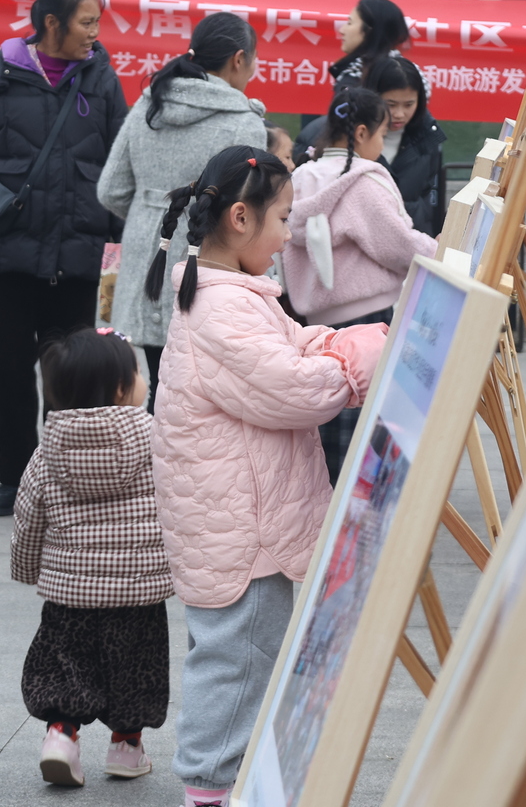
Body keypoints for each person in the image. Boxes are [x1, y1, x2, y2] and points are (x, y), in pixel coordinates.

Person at [148, 146, 389, 807]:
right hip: (240, 533)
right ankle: (212, 789)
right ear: (239, 218)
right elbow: (292, 387)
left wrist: (348, 343)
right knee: (238, 661)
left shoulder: (232, 293)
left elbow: (294, 344)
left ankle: (225, 780)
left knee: (243, 658)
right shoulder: (222, 310)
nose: (289, 234)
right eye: (282, 218)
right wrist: (356, 361)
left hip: (240, 520)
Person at [0, 0, 126, 517]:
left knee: (72, 373)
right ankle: (15, 481)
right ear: (51, 23)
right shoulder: (0, 72)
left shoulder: (102, 80)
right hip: (4, 253)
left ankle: (67, 482)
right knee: (14, 372)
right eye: (86, 22)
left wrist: (117, 239)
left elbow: (120, 164)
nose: (95, 32)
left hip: (76, 253)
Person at [11, 327, 171, 788]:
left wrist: (26, 568)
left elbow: (28, 514)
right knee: (137, 668)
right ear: (123, 388)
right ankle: (127, 746)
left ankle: (61, 736)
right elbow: (181, 500)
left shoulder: (48, 450)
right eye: (138, 372)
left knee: (64, 664)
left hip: (70, 591)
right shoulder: (156, 440)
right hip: (138, 590)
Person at [97, 12, 265, 409]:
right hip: (210, 270)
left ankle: (157, 470)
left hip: (149, 260)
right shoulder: (244, 124)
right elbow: (249, 217)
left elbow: (110, 189)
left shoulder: (149, 104)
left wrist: (152, 212)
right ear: (238, 59)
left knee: (160, 384)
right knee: (209, 395)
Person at [283, 89, 437, 483]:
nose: (383, 145)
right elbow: (399, 245)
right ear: (363, 132)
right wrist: (445, 252)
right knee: (372, 429)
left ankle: (328, 516)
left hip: (317, 320)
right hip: (371, 315)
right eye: (382, 134)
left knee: (333, 421)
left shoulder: (302, 175)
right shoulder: (362, 182)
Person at [291, 0, 411, 163]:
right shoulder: (407, 73)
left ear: (369, 30)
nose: (342, 30)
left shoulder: (357, 81)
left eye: (350, 23)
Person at [363, 54, 449, 237]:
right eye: (390, 104)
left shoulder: (429, 138)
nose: (399, 114)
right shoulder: (354, 137)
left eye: (409, 104)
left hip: (413, 246)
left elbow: (431, 202)